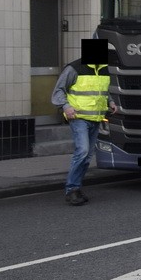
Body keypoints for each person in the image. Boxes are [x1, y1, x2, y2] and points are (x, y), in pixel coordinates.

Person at [51, 39, 117, 206]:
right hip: (78, 117)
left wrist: (110, 102)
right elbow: (58, 91)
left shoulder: (103, 70)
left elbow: (103, 91)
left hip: (96, 118)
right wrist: (66, 107)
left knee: (87, 157)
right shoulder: (74, 68)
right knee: (82, 151)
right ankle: (71, 189)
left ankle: (77, 188)